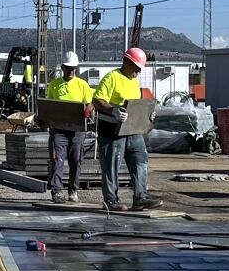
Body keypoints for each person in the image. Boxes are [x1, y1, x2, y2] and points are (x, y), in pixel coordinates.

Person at [92, 47, 156, 212]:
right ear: (126, 62)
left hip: (132, 131)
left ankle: (140, 197)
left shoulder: (134, 80)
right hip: (112, 133)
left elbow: (135, 104)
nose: (137, 73)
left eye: (139, 70)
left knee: (140, 161)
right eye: (135, 68)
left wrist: (147, 114)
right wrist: (112, 109)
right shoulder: (112, 77)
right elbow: (97, 100)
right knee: (111, 166)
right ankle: (111, 200)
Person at [41, 51, 93, 203]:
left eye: (74, 68)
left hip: (77, 131)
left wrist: (89, 109)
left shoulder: (82, 85)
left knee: (76, 161)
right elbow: (49, 105)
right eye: (69, 68)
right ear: (63, 67)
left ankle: (73, 190)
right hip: (59, 131)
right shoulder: (55, 85)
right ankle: (56, 191)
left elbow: (89, 102)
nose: (72, 71)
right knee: (57, 160)